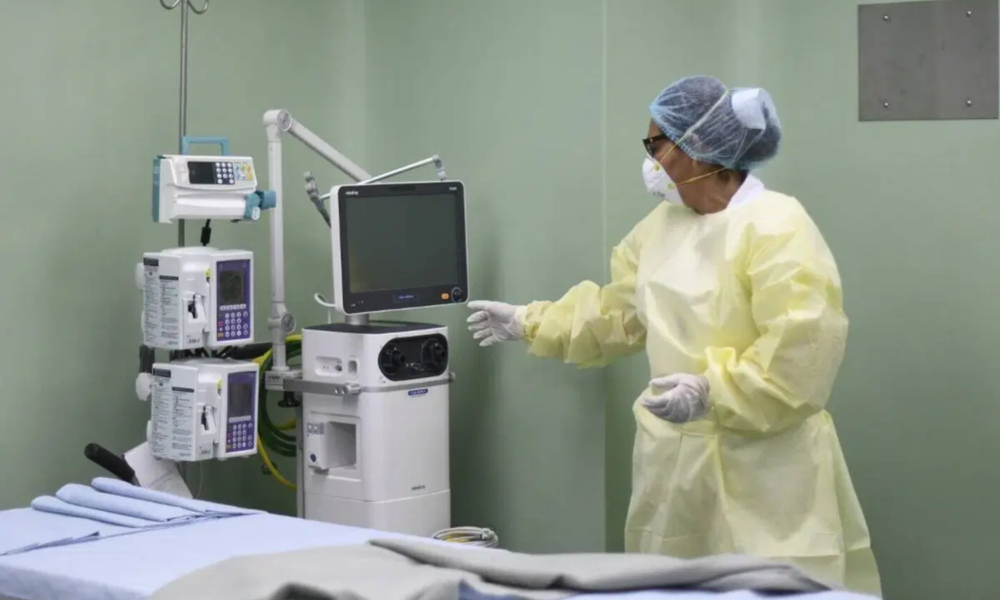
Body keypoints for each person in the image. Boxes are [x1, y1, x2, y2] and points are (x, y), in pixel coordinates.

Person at [466, 75, 882, 596]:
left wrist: (712, 391)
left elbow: (801, 352)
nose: (650, 160)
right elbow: (621, 314)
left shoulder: (777, 226)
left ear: (699, 147)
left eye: (656, 144)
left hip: (765, 472)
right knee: (670, 587)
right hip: (674, 468)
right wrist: (529, 321)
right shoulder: (662, 226)